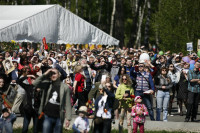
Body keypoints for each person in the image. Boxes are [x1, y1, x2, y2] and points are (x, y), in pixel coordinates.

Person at [32, 68, 72, 133]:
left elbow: (67, 103)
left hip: (59, 117)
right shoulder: (47, 84)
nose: (52, 75)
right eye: (51, 74)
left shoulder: (65, 87)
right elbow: (34, 84)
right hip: (47, 116)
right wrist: (45, 74)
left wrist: (68, 118)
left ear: (59, 75)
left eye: (54, 73)